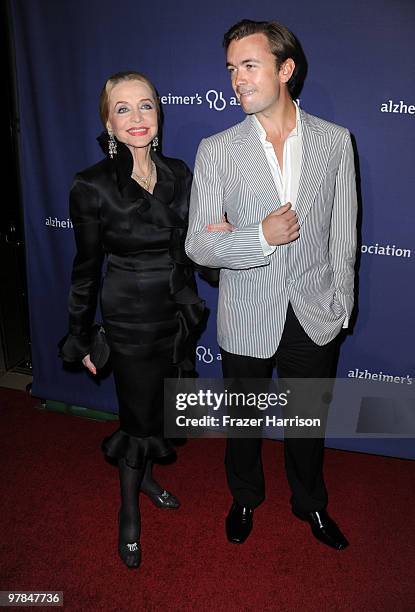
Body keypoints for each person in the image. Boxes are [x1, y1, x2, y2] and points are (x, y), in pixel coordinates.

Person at [185, 19, 357, 550]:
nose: (237, 79)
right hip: (247, 312)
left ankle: (310, 503)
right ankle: (244, 497)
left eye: (249, 65)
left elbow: (345, 234)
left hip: (314, 309)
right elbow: (199, 245)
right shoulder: (217, 149)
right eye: (232, 69)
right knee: (243, 421)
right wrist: (258, 235)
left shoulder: (335, 141)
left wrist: (340, 304)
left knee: (307, 424)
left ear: (286, 69)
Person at [60, 71, 206, 569]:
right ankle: (128, 511)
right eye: (123, 109)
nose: (137, 118)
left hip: (175, 311)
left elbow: (194, 250)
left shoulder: (179, 173)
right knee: (137, 416)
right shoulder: (91, 184)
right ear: (108, 120)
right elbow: (85, 269)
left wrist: (223, 239)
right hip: (127, 314)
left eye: (146, 106)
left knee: (160, 409)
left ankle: (143, 479)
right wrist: (79, 332)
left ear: (159, 114)